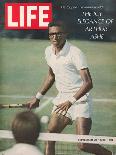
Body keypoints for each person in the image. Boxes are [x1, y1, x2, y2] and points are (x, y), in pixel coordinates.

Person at [27, 21, 112, 155]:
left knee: (83, 144)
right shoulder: (48, 51)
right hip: (62, 100)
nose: (55, 37)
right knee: (50, 137)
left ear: (65, 34)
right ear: (49, 36)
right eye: (52, 34)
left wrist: (71, 101)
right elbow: (51, 76)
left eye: (58, 34)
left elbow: (88, 83)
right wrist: (38, 97)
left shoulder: (75, 53)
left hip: (80, 101)